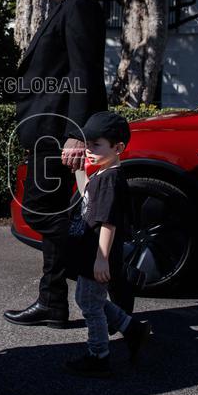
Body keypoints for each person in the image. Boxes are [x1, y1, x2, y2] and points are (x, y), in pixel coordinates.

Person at [4, 0, 109, 328]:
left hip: (56, 134)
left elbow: (85, 74)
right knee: (51, 214)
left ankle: (104, 257)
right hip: (46, 132)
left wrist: (78, 134)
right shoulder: (64, 6)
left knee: (41, 212)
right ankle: (52, 303)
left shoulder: (80, 6)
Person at [63, 111, 151, 377]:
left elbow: (108, 221)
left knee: (90, 304)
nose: (89, 150)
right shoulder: (103, 173)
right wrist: (79, 171)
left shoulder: (111, 179)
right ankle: (132, 328)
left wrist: (101, 257)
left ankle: (98, 355)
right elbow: (87, 192)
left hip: (99, 252)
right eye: (87, 144)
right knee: (90, 299)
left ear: (118, 147)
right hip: (92, 250)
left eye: (96, 145)